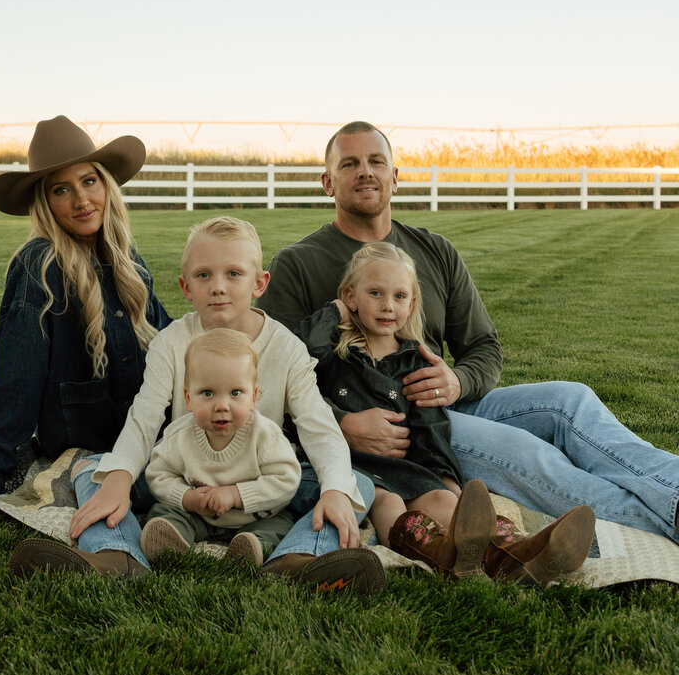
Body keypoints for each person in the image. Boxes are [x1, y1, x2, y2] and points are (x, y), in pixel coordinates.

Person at [260, 120, 679, 544]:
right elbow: (269, 373)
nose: (365, 171)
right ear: (328, 182)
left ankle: (675, 496)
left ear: (394, 177)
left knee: (571, 401)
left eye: (376, 161)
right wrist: (341, 423)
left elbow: (483, 347)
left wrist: (457, 381)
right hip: (400, 423)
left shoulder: (436, 250)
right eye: (350, 164)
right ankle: (653, 522)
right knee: (526, 454)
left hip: (445, 404)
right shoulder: (298, 264)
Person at [38, 216, 385, 594]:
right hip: (187, 476)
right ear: (186, 287)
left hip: (261, 483)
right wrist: (119, 478)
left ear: (259, 283)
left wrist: (334, 489)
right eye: (204, 275)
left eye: (233, 274)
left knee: (354, 485)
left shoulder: (286, 348)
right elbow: (145, 415)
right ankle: (117, 555)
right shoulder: (171, 341)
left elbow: (319, 426)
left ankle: (297, 559)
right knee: (95, 470)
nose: (218, 286)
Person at [297, 242, 595, 583]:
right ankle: (443, 553)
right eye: (375, 293)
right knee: (388, 503)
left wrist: (450, 483)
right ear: (352, 297)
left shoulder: (417, 364)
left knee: (443, 500)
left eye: (399, 296)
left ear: (411, 304)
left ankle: (521, 552)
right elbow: (295, 350)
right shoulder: (336, 353)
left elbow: (432, 429)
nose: (387, 305)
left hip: (409, 466)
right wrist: (335, 311)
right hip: (353, 466)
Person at [0, 114, 171, 579]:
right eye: (61, 189)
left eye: (89, 181)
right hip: (88, 448)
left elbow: (168, 343)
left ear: (106, 185)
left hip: (146, 438)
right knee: (91, 477)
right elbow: (17, 375)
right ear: (45, 203)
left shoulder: (128, 260)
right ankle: (116, 557)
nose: (82, 200)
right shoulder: (39, 264)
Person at [141, 328, 301, 567]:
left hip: (255, 518)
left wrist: (236, 495)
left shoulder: (265, 436)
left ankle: (251, 547)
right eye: (208, 393)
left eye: (236, 393)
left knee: (280, 525)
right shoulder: (179, 436)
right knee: (163, 512)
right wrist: (187, 498)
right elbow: (158, 474)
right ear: (188, 398)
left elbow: (286, 480)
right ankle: (172, 540)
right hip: (199, 515)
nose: (222, 405)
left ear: (253, 397)